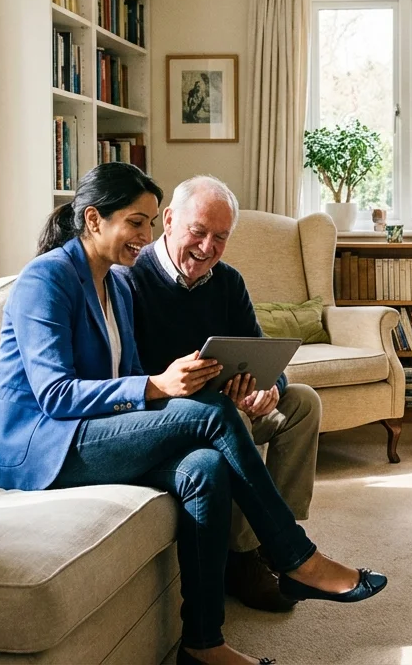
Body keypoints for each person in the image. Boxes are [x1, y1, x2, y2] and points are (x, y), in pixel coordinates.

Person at [0, 163, 386, 665]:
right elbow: (55, 394)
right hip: (36, 444)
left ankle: (203, 645)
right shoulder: (48, 277)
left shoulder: (117, 284)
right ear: (95, 220)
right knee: (210, 413)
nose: (144, 237)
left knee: (205, 470)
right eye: (136, 223)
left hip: (91, 432)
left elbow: (137, 368)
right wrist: (158, 385)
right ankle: (296, 557)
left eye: (147, 224)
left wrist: (238, 387)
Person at [117, 175, 320, 614]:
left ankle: (275, 544)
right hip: (169, 413)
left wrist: (268, 388)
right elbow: (125, 376)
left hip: (230, 405)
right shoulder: (128, 282)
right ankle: (241, 558)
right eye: (199, 232)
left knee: (303, 402)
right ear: (168, 220)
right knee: (236, 418)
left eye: (221, 237)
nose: (208, 247)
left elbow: (266, 354)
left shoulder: (227, 281)